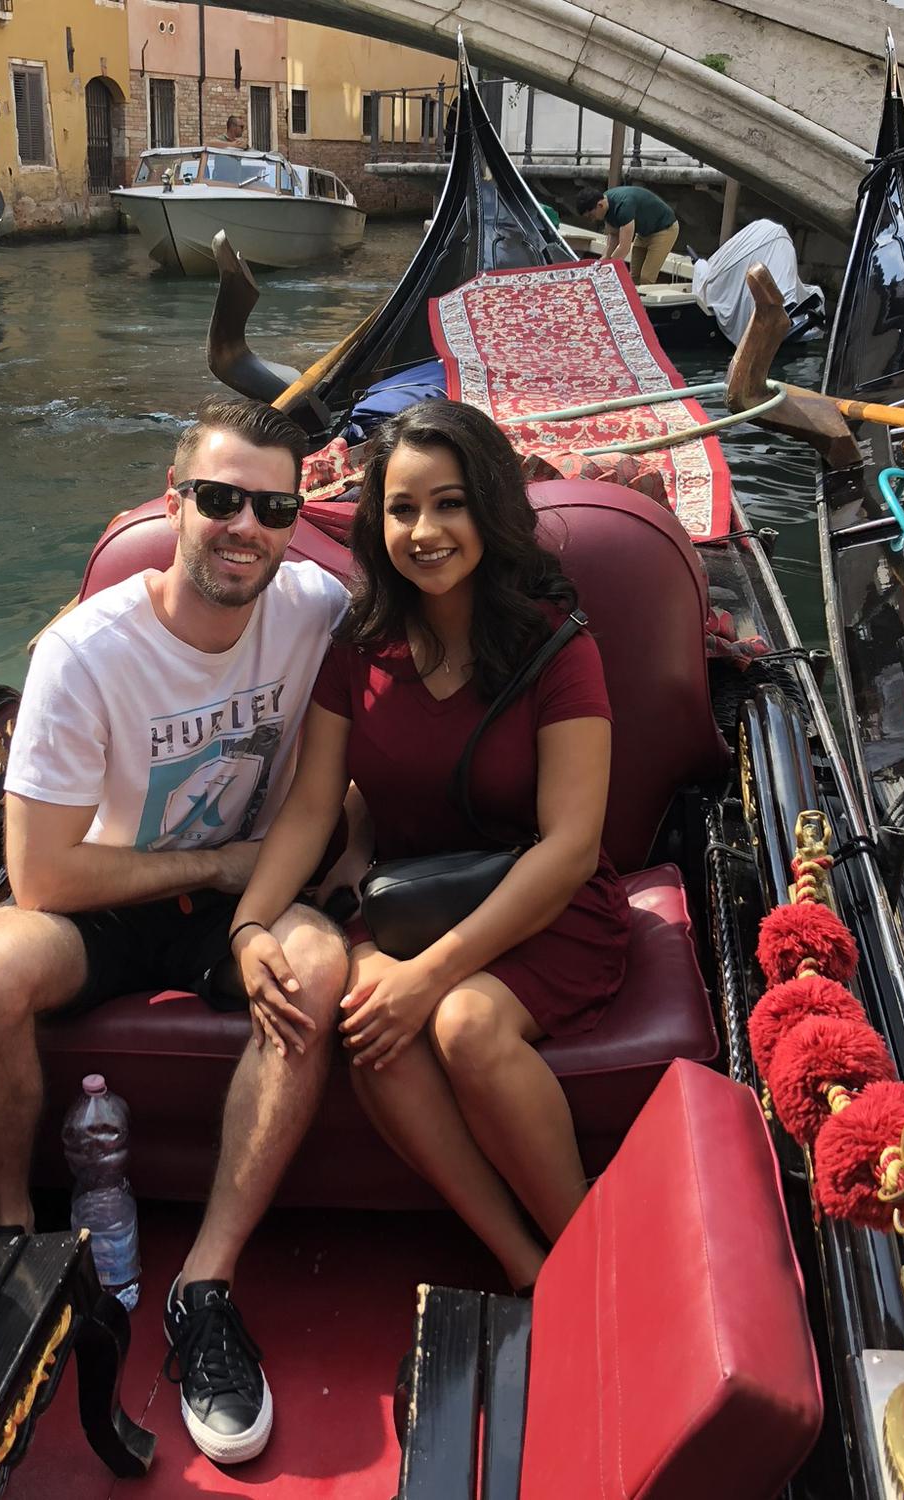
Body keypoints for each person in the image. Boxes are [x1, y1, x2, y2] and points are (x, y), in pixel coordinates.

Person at [0, 396, 352, 1465]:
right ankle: (10, 1244)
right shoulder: (86, 654)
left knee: (315, 962)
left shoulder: (317, 604)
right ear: (174, 506)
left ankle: (204, 1285)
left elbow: (431, 553)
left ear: (297, 517)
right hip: (105, 902)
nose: (245, 527)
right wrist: (214, 861)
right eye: (220, 500)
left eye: (273, 507)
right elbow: (37, 878)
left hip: (242, 910)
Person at [231, 399, 630, 1294]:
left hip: (547, 908)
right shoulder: (359, 642)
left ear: (488, 508)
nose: (424, 531)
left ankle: (589, 1253)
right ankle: (525, 1263)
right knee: (367, 1019)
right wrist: (250, 925)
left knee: (465, 1022)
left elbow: (569, 849)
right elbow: (309, 805)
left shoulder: (557, 648)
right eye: (402, 509)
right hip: (413, 902)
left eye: (449, 504)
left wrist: (430, 975)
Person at [576, 184, 679, 286]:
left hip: (664, 229)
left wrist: (607, 267)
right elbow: (614, 235)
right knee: (634, 276)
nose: (592, 220)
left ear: (600, 205)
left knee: (646, 277)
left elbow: (624, 247)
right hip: (644, 232)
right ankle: (635, 299)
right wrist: (605, 257)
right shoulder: (605, 204)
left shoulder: (624, 207)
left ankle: (645, 301)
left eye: (591, 216)